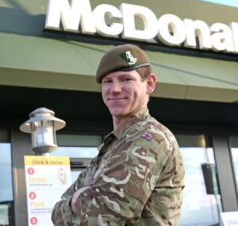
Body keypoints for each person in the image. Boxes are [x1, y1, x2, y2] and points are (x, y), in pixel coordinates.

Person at [52, 44, 185, 225]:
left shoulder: (149, 137)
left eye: (126, 79)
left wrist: (76, 202)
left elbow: (101, 220)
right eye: (108, 81)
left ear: (150, 84)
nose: (115, 89)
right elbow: (55, 213)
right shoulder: (114, 144)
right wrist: (76, 204)